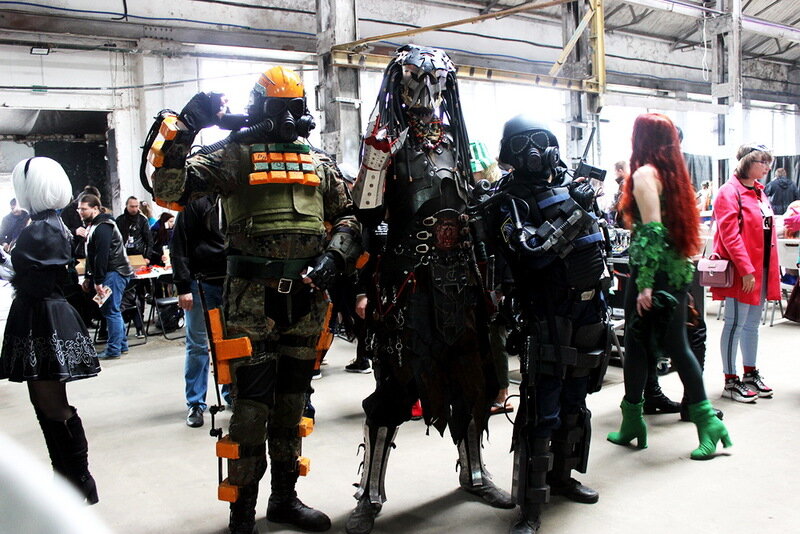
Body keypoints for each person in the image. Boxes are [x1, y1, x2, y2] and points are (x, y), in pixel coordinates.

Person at [148, 65, 360, 534]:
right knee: (250, 409)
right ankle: (242, 512)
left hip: (306, 301)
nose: (288, 118)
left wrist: (335, 256)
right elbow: (168, 189)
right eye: (278, 109)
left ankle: (284, 499)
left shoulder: (318, 162)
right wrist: (186, 127)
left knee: (293, 404)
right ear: (259, 110)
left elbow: (349, 217)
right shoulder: (233, 155)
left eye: (295, 108)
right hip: (250, 302)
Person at [346, 45, 513, 534]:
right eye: (418, 79)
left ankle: (474, 472)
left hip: (462, 281)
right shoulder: (383, 141)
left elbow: (477, 204)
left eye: (436, 80)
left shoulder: (459, 140)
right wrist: (361, 286)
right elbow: (365, 217)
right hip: (408, 284)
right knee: (394, 389)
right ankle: (370, 493)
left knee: (472, 380)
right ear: (400, 82)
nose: (427, 90)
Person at [473, 117, 609, 534]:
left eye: (539, 141)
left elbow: (599, 239)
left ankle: (562, 477)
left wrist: (584, 205)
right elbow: (531, 251)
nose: (533, 150)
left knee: (575, 402)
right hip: (547, 312)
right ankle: (530, 508)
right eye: (522, 144)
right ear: (509, 154)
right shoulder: (509, 200)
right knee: (541, 412)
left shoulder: (571, 185)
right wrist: (575, 210)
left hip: (589, 307)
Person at [607, 113, 731, 460]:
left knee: (671, 345)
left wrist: (645, 284)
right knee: (641, 345)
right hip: (672, 270)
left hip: (653, 274)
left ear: (640, 138)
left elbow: (651, 231)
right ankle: (633, 421)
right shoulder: (673, 176)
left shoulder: (645, 174)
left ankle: (707, 423)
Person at [0, 157, 100, 504]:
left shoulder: (41, 228)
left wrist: (6, 264)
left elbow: (34, 281)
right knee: (46, 404)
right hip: (44, 315)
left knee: (51, 404)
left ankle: (78, 479)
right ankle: (70, 478)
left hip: (43, 318)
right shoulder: (49, 224)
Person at [711, 143, 780, 402]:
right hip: (742, 270)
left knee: (752, 324)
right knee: (735, 323)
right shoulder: (729, 192)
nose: (767, 167)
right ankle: (730, 381)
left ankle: (750, 373)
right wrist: (746, 269)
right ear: (747, 162)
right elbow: (730, 235)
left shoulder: (759, 192)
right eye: (763, 162)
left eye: (768, 162)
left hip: (760, 269)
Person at [172, 195, 227, 428]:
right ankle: (195, 403)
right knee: (197, 345)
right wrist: (183, 287)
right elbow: (178, 245)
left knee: (231, 342)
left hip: (231, 281)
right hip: (200, 283)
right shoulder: (194, 203)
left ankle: (232, 393)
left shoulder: (236, 196)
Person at [79, 194, 134, 359]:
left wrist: (98, 281)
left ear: (95, 208)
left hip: (114, 272)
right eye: (79, 209)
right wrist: (89, 277)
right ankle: (121, 345)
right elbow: (93, 255)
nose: (80, 211)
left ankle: (114, 349)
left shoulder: (103, 226)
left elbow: (101, 255)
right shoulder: (96, 225)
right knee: (112, 310)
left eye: (84, 209)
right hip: (112, 272)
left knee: (111, 310)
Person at [116, 196, 154, 264]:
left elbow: (149, 240)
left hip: (139, 254)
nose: (134, 209)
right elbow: (116, 240)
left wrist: (147, 257)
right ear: (126, 206)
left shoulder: (143, 220)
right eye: (132, 206)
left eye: (136, 206)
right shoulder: (119, 220)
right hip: (124, 255)